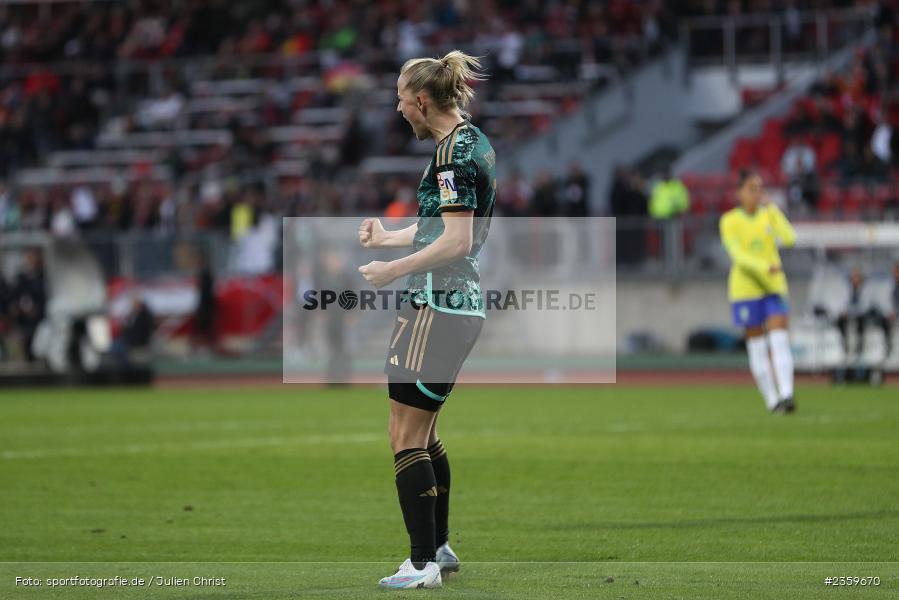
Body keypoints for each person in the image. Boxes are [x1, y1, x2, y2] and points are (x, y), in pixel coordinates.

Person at [357, 50, 494, 590]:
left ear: (420, 99)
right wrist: (388, 238)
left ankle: (420, 565)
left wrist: (391, 270)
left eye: (399, 99)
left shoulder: (450, 156)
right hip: (461, 304)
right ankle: (438, 547)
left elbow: (456, 241)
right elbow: (445, 227)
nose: (397, 109)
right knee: (426, 430)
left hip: (434, 306)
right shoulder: (470, 140)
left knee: (404, 433)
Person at [719, 170, 797, 413]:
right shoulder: (729, 221)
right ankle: (772, 400)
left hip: (773, 287)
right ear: (739, 192)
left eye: (760, 188)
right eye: (752, 189)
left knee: (779, 339)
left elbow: (790, 239)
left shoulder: (768, 214)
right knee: (757, 346)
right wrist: (765, 266)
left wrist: (773, 209)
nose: (757, 194)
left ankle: (787, 395)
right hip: (745, 290)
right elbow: (738, 256)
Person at [836, 266, 892, 360]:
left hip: (864, 312)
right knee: (840, 320)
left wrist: (854, 311)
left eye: (857, 276)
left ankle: (860, 348)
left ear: (861, 277)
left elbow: (867, 304)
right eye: (853, 276)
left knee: (861, 320)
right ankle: (845, 346)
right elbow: (843, 303)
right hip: (851, 312)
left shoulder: (867, 288)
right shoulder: (846, 288)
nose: (855, 279)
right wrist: (845, 311)